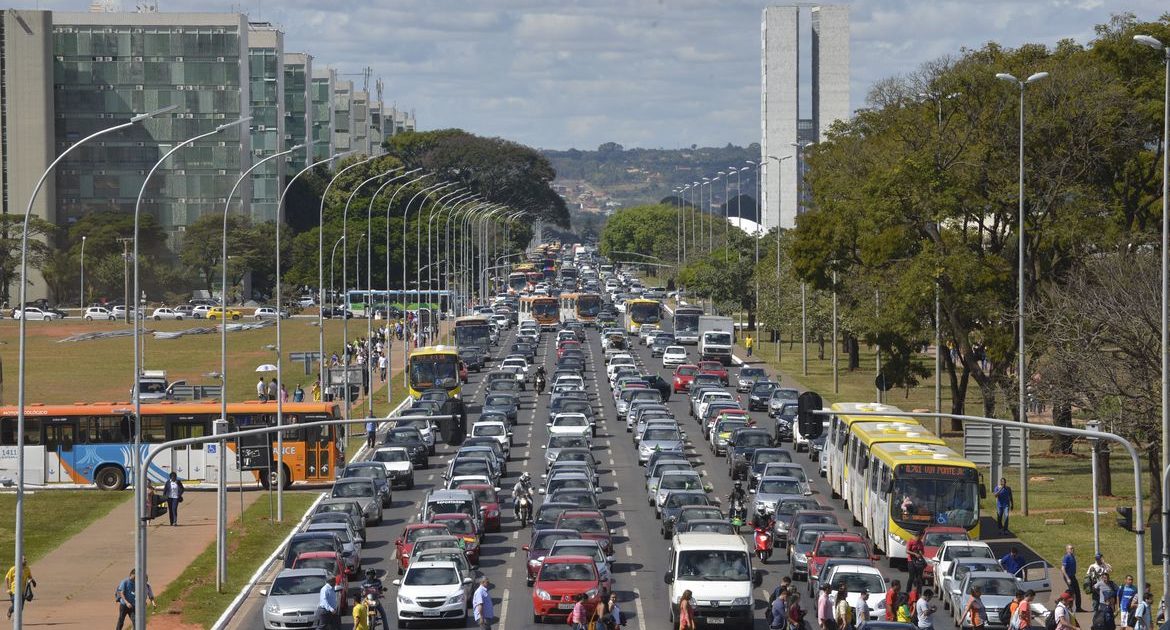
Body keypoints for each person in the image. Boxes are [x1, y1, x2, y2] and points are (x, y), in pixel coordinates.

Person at [1064, 545, 1084, 612]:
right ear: (1067, 550)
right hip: (1068, 576)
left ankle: (1078, 608)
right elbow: (1062, 568)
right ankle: (1069, 607)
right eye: (1071, 548)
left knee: (1077, 592)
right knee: (1071, 592)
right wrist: (1067, 578)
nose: (1072, 550)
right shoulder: (1066, 557)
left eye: (1073, 548)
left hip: (1073, 576)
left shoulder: (1073, 557)